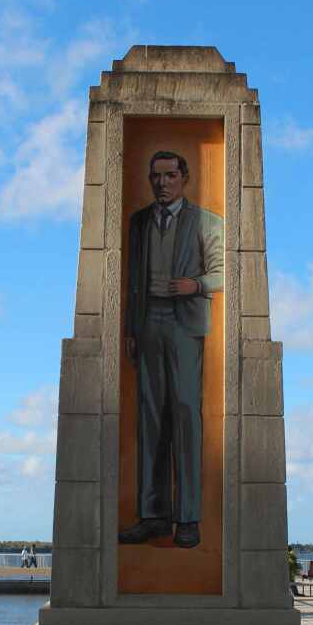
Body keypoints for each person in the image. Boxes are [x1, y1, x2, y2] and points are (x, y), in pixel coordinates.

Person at [118, 150, 224, 550]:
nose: (162, 183)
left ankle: (189, 519)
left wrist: (194, 285)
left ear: (184, 178)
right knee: (150, 420)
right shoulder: (139, 222)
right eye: (155, 176)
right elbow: (131, 280)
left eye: (169, 175)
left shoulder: (208, 222)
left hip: (185, 326)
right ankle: (153, 516)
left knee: (185, 416)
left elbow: (225, 270)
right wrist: (131, 327)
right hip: (148, 325)